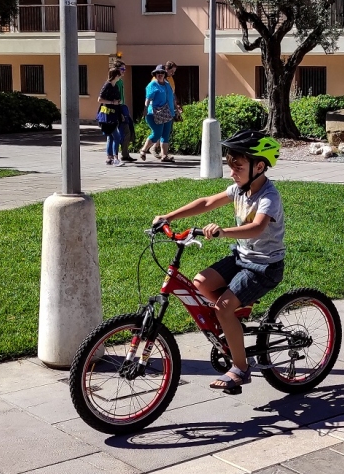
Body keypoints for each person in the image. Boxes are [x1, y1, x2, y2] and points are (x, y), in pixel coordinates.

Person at [153, 130, 284, 391]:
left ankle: (241, 368)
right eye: (230, 165)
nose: (232, 171)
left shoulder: (269, 197)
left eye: (238, 166)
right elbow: (206, 202)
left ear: (259, 166)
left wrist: (223, 231)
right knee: (201, 282)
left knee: (222, 307)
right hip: (242, 257)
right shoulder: (238, 189)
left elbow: (257, 228)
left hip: (265, 266)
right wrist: (168, 217)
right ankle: (232, 322)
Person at [139, 65, 176, 162]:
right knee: (157, 133)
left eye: (162, 73)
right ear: (155, 75)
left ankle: (164, 156)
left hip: (168, 113)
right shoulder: (152, 85)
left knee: (165, 134)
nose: (160, 75)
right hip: (154, 113)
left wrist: (177, 108)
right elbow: (148, 99)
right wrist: (145, 109)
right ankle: (143, 150)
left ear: (165, 74)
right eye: (158, 73)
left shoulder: (167, 84)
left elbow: (172, 97)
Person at [97, 68, 125, 167]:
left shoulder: (115, 86)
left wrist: (118, 105)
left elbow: (117, 100)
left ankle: (109, 158)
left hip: (114, 114)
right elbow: (100, 99)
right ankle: (115, 158)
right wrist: (112, 102)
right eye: (119, 74)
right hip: (107, 115)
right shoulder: (107, 85)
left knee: (110, 137)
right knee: (117, 137)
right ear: (116, 76)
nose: (121, 76)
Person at [113, 61, 136, 163]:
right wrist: (120, 112)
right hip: (117, 109)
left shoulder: (120, 81)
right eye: (122, 69)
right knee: (119, 134)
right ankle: (114, 156)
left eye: (125, 69)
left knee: (128, 131)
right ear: (117, 69)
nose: (124, 71)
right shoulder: (115, 82)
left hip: (122, 107)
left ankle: (125, 154)